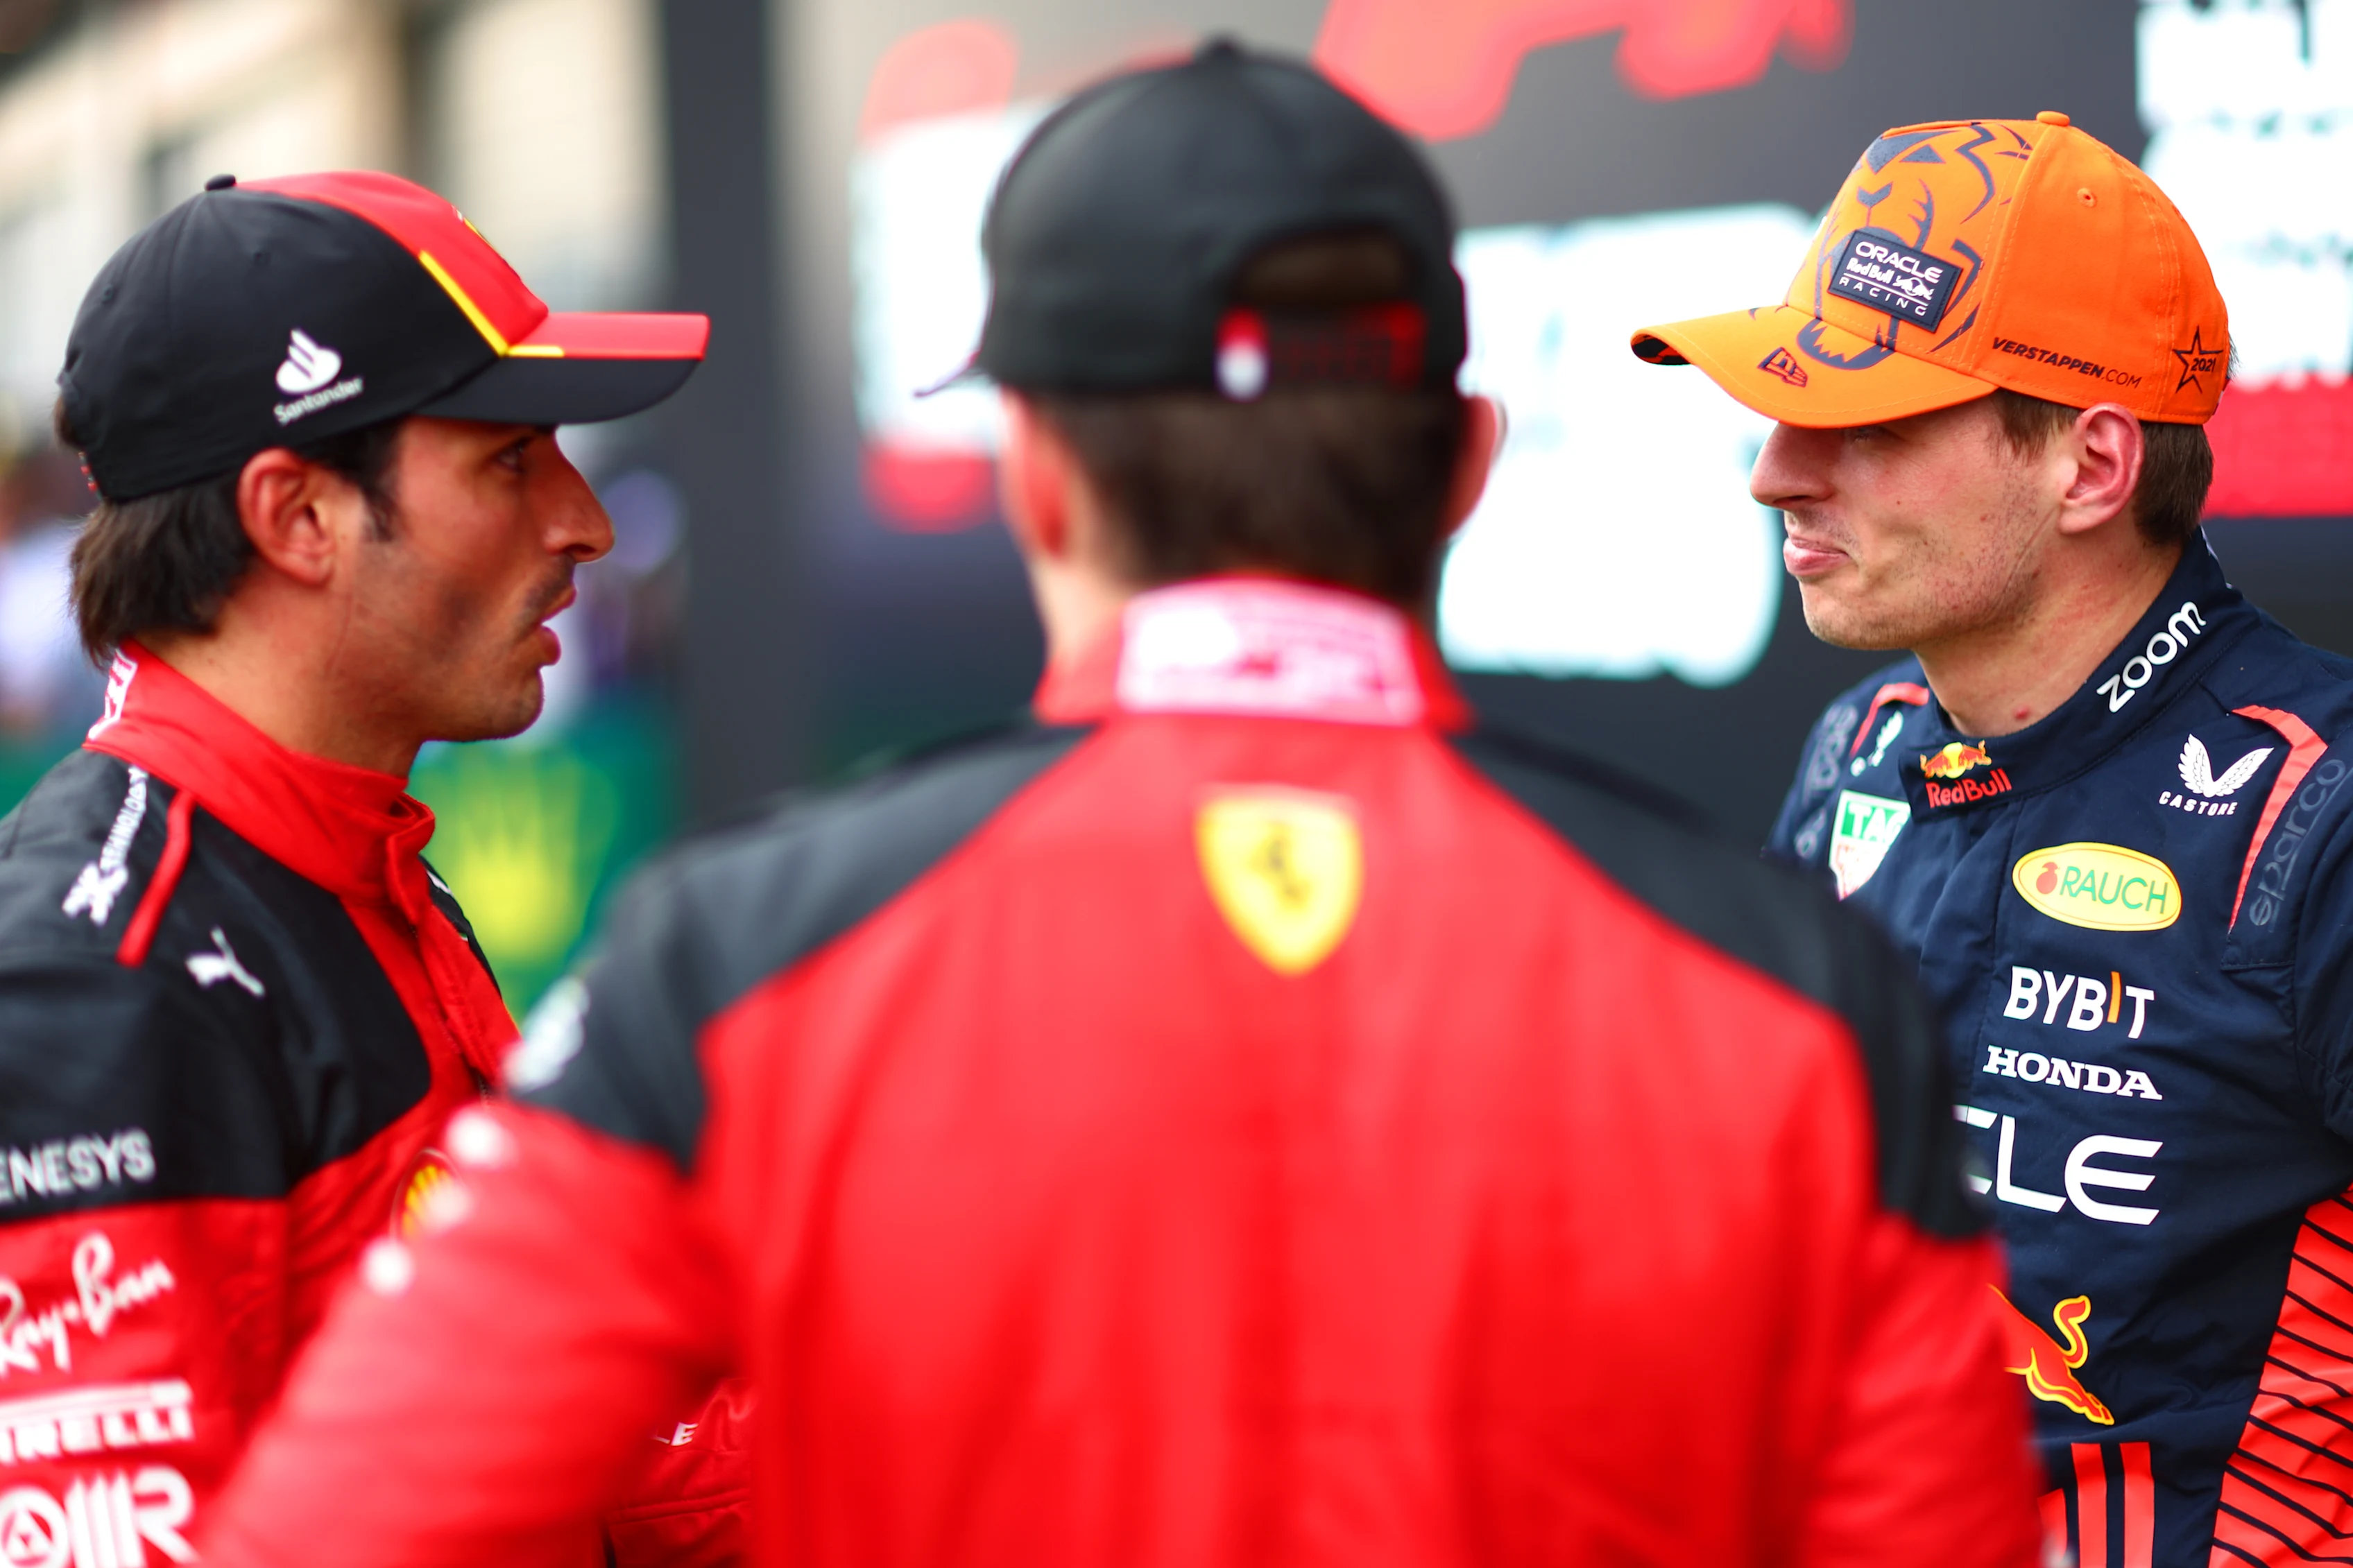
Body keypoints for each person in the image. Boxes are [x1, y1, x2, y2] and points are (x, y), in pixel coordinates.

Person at [200, 46, 2039, 1568]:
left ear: (1038, 474)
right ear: (1468, 465)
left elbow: (338, 1529)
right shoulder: (1802, 990)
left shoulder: (733, 964)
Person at [1632, 112, 2353, 1567]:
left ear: (2088, 465)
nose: (1778, 472)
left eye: (1868, 422)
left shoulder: (2315, 816)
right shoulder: (1864, 745)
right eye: (1784, 411)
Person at [0, 170, 741, 1565]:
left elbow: (570, 1437)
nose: (585, 521)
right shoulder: (98, 977)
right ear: (297, 518)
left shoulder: (340, 858)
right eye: (510, 460)